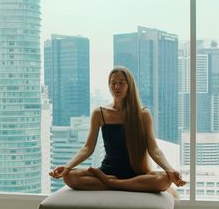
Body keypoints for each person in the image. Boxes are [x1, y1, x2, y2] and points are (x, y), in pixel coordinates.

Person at [49, 67, 186, 195]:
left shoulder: (143, 114)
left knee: (164, 179)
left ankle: (113, 183)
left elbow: (153, 149)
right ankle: (118, 183)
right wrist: (67, 167)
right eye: (113, 83)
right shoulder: (100, 113)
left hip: (135, 173)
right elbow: (87, 148)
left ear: (129, 86)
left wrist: (169, 170)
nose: (116, 87)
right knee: (70, 177)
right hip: (108, 171)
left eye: (121, 83)